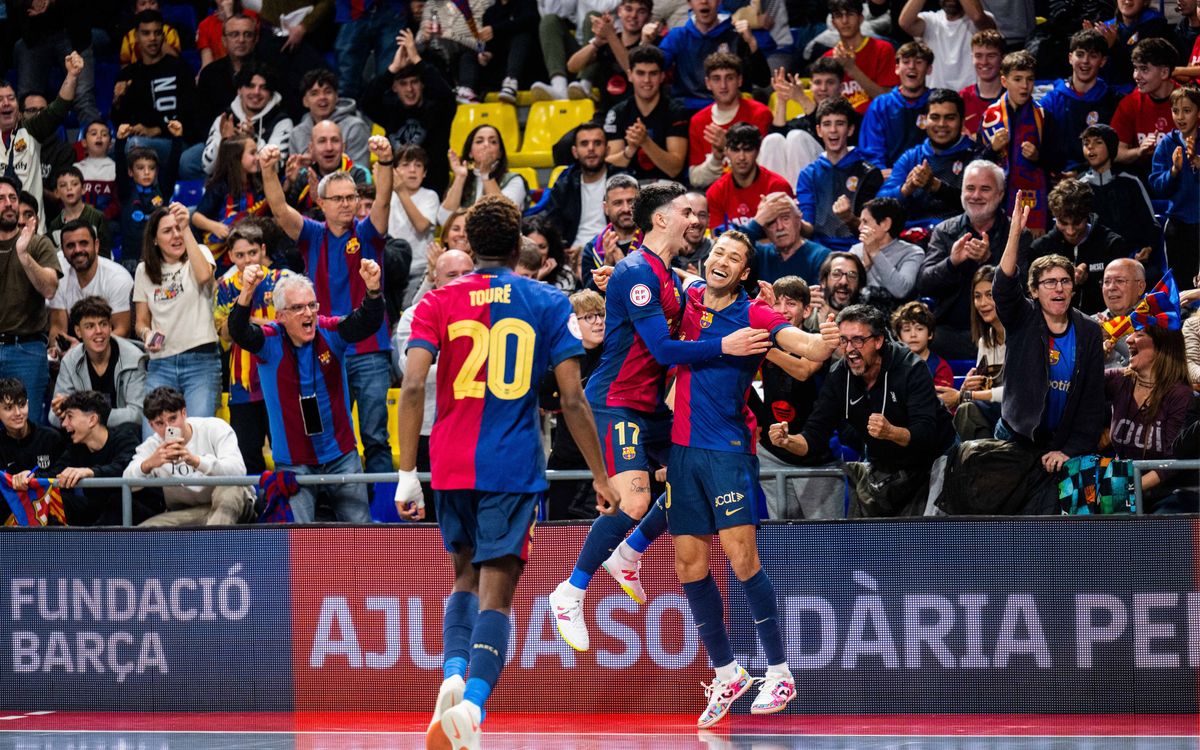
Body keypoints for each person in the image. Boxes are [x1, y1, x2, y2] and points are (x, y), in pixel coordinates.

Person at [394, 195, 617, 749]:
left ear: (467, 245)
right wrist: (601, 475)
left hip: (447, 460)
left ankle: (451, 672)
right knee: (498, 593)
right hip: (512, 463)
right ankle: (471, 706)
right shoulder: (546, 299)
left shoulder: (438, 301)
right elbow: (572, 398)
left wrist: (405, 472)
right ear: (520, 246)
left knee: (462, 576)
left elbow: (414, 384)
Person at [547, 182, 770, 654]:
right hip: (617, 401)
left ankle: (628, 553)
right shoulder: (638, 274)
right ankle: (570, 591)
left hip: (652, 407)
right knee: (632, 501)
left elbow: (698, 294)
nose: (695, 219)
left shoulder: (665, 272)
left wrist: (753, 298)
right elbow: (664, 348)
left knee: (694, 478)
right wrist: (725, 345)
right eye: (686, 211)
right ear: (662, 219)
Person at [666, 231, 837, 727]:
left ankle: (779, 672)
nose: (722, 260)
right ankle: (727, 672)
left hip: (726, 452)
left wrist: (823, 337)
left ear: (745, 274)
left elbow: (806, 347)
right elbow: (666, 279)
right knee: (689, 565)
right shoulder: (693, 295)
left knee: (741, 559)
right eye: (718, 252)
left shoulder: (756, 314)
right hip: (682, 452)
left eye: (734, 258)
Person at [260, 137, 397, 478]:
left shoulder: (370, 231)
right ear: (321, 203)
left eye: (351, 197)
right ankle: (330, 511)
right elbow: (278, 209)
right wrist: (267, 170)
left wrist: (385, 161)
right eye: (337, 199)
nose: (346, 204)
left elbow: (382, 201)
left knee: (375, 436)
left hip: (368, 349)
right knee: (320, 433)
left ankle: (380, 514)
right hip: (322, 347)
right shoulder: (311, 234)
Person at [228, 260, 384, 523]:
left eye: (312, 305)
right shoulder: (268, 341)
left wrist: (372, 291)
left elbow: (366, 322)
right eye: (298, 308)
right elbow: (239, 331)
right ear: (281, 316)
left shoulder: (330, 331)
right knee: (301, 544)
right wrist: (246, 293)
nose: (308, 313)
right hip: (293, 463)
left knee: (360, 534)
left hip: (341, 456)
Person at [770, 303, 958, 517]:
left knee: (930, 538)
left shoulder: (910, 368)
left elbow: (925, 434)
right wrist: (788, 441)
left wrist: (891, 432)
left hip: (935, 459)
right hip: (889, 466)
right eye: (843, 341)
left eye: (858, 340)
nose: (850, 349)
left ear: (878, 340)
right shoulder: (839, 376)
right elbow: (813, 437)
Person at [993, 201, 1106, 514]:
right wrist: (1015, 233)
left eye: (1065, 281)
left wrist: (1068, 451)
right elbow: (1003, 288)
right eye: (1049, 283)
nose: (1059, 288)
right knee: (1008, 528)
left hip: (1064, 446)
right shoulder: (1022, 319)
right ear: (1034, 290)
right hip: (1016, 441)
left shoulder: (1088, 331)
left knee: (1057, 531)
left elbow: (1092, 403)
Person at [919, 159, 1031, 359]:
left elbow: (1022, 287)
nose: (976, 196)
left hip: (1001, 329)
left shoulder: (1017, 233)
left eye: (985, 189)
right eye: (970, 188)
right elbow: (925, 284)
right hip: (950, 332)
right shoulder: (945, 231)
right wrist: (951, 263)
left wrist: (989, 260)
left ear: (1000, 194)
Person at [212, 222, 293, 474]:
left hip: (282, 378)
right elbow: (225, 333)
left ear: (263, 250)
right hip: (242, 384)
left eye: (252, 253)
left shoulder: (283, 280)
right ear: (230, 257)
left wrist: (245, 320)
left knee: (287, 452)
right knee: (247, 457)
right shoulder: (225, 288)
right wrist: (245, 302)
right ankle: (258, 511)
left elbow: (292, 324)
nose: (247, 260)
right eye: (239, 255)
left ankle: (290, 511)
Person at [390, 248, 473, 490]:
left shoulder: (488, 312)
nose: (460, 280)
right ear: (436, 279)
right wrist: (469, 367)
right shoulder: (416, 315)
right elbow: (410, 371)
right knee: (428, 516)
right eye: (452, 274)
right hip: (427, 429)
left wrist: (441, 366)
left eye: (467, 273)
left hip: (474, 428)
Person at [132, 202, 221, 419]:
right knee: (155, 440)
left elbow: (203, 276)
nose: (176, 235)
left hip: (201, 360)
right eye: (167, 231)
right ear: (154, 239)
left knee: (198, 435)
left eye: (178, 228)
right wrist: (147, 333)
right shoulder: (144, 270)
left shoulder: (200, 253)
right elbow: (141, 322)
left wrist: (187, 227)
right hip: (161, 363)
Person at [125, 386, 255, 526]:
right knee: (143, 533)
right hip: (188, 512)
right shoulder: (153, 446)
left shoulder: (214, 427)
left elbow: (238, 472)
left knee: (228, 491)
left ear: (184, 413)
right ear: (151, 426)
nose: (169, 427)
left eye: (173, 418)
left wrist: (197, 461)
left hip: (233, 504)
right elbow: (127, 482)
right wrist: (148, 464)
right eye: (160, 423)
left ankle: (214, 546)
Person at [1105, 325, 1192, 513]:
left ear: (1162, 347)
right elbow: (1077, 387)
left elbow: (1173, 462)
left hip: (1169, 495)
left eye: (1139, 335)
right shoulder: (1119, 380)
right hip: (1124, 488)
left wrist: (1127, 489)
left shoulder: (1181, 395)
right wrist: (1097, 358)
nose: (1128, 340)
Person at [362, 29, 456, 195]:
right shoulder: (391, 110)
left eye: (414, 82)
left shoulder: (437, 110)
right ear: (395, 87)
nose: (410, 89)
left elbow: (447, 96)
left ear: (422, 84)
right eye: (403, 83)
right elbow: (367, 101)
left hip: (432, 192)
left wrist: (416, 60)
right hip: (395, 193)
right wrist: (392, 69)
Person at [111, 11, 197, 191]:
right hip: (138, 140)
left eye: (157, 33)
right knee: (109, 150)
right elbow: (119, 122)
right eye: (146, 33)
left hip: (176, 142)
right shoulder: (128, 74)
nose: (152, 38)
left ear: (164, 36)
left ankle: (152, 201)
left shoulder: (179, 68)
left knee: (136, 146)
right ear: (136, 36)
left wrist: (156, 130)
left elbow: (191, 116)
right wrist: (117, 102)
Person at [542, 289, 609, 519]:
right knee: (559, 537)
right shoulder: (560, 359)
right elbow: (544, 398)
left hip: (608, 459)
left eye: (601, 314)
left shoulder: (614, 356)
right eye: (589, 317)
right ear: (573, 323)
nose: (598, 322)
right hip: (567, 458)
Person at [0, 176, 61, 425]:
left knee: (28, 429)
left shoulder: (37, 243)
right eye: (1, 199)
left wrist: (24, 256)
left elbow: (49, 289)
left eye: (12, 198)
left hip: (26, 349)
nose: (9, 204)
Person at [0, 52, 85, 229]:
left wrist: (72, 75)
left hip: (34, 234)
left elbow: (58, 108)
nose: (6, 103)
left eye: (11, 98)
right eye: (0, 100)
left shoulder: (31, 130)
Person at [44, 390, 151, 526]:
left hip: (135, 508)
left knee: (117, 501)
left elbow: (124, 468)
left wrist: (90, 472)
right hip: (98, 509)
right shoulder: (76, 447)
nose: (64, 424)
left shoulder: (125, 436)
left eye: (70, 417)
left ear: (92, 420)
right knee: (57, 500)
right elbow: (55, 474)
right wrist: (28, 477)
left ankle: (93, 543)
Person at [878, 88, 982, 222]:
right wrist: (906, 189)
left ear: (962, 122)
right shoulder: (912, 157)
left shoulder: (976, 156)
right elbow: (879, 203)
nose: (941, 124)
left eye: (949, 118)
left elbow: (979, 206)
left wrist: (936, 186)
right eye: (935, 117)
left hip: (958, 237)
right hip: (910, 237)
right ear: (925, 120)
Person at [795, 98, 883, 251]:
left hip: (859, 250)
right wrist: (793, 220)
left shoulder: (869, 173)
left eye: (840, 123)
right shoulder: (808, 175)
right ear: (819, 130)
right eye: (827, 124)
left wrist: (848, 218)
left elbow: (873, 231)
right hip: (819, 253)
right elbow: (808, 229)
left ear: (850, 130)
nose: (833, 130)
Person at [1030, 179, 1126, 315]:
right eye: (1063, 223)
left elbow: (1122, 295)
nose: (1070, 231)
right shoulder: (1040, 249)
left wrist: (1089, 280)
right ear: (1055, 217)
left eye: (1077, 223)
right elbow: (1032, 296)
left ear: (1087, 216)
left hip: (1103, 324)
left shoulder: (1111, 244)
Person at [48, 296, 145, 431]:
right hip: (85, 438)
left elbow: (138, 415)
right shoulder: (70, 361)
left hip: (122, 435)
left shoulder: (134, 358)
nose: (98, 331)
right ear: (78, 331)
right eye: (90, 326)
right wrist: (61, 411)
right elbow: (53, 417)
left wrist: (88, 417)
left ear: (110, 326)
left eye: (103, 324)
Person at [978, 50, 1047, 234]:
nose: (1025, 86)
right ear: (1004, 81)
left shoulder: (1042, 115)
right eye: (1017, 79)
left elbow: (1056, 160)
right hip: (997, 199)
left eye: (1029, 79)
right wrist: (991, 150)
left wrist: (1038, 156)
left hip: (1032, 199)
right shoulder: (990, 117)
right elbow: (976, 162)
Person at [657, 0, 770, 111]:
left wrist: (751, 43)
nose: (704, 1)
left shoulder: (736, 35)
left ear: (719, 1)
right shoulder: (677, 36)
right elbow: (654, 69)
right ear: (689, 3)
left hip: (730, 109)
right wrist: (645, 43)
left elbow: (762, 80)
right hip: (687, 110)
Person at [1037, 29, 1118, 178]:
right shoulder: (1051, 101)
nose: (1085, 61)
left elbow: (1114, 151)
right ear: (1070, 58)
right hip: (1056, 178)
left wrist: (1080, 173)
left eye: (1093, 56)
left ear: (1103, 61)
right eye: (1080, 54)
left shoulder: (1112, 101)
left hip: (1097, 178)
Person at [937, 264, 1006, 438]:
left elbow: (1015, 393)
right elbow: (986, 387)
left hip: (1018, 414)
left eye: (989, 295)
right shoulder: (985, 340)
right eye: (977, 296)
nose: (982, 303)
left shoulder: (1021, 336)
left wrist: (964, 395)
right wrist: (971, 385)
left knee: (967, 409)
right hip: (993, 412)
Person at [687, 52, 773, 189]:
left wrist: (728, 147)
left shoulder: (760, 114)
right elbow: (696, 179)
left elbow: (765, 167)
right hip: (714, 193)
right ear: (708, 83)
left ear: (740, 80)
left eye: (729, 78)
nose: (723, 86)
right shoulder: (698, 121)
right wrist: (716, 158)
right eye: (716, 79)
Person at [603, 45, 689, 181]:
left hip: (666, 188)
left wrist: (645, 141)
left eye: (653, 73)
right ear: (630, 75)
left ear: (662, 76)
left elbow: (674, 169)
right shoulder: (618, 112)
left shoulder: (676, 111)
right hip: (626, 188)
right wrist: (629, 150)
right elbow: (609, 165)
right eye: (640, 73)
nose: (647, 80)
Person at [1077, 124, 1159, 263]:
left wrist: (1148, 247)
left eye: (1098, 142)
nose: (1090, 147)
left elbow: (1151, 224)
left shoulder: (1131, 181)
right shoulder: (1079, 185)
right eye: (1086, 143)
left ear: (1111, 147)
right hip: (1092, 260)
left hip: (1130, 256)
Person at [200, 63, 294, 176]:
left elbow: (276, 167)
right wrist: (223, 143)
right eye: (250, 86)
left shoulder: (282, 122)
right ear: (239, 90)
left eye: (263, 88)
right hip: (226, 187)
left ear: (271, 93)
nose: (256, 92)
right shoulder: (224, 120)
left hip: (264, 189)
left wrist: (254, 140)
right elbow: (207, 167)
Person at [758, 59, 841, 187]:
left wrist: (801, 98)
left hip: (832, 177)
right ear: (811, 86)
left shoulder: (848, 117)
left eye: (830, 83)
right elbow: (777, 137)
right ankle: (770, 200)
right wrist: (781, 99)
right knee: (773, 140)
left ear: (840, 87)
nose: (823, 88)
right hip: (790, 183)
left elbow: (823, 123)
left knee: (797, 137)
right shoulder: (801, 120)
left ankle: (802, 202)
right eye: (818, 82)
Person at [1149, 86, 1200, 285]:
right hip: (1178, 222)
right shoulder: (1166, 144)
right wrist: (1174, 172)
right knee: (1179, 282)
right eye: (1175, 111)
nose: (1180, 116)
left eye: (1187, 111)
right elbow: (1157, 186)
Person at [192, 134, 269, 265]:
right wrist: (216, 227)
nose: (257, 157)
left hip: (251, 247)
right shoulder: (220, 186)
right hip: (224, 254)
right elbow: (196, 217)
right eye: (252, 153)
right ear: (236, 158)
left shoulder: (257, 183)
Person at [858, 41, 934, 171]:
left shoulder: (938, 102)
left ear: (929, 69)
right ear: (897, 68)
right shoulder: (880, 105)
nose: (912, 67)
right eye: (906, 62)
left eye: (919, 62)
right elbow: (871, 152)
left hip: (931, 176)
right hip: (890, 180)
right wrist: (881, 173)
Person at [703, 124, 792, 231]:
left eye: (748, 150)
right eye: (736, 150)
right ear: (726, 151)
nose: (741, 157)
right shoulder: (715, 192)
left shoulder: (777, 187)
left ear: (758, 151)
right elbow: (719, 240)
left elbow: (785, 236)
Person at [541, 122, 612, 254]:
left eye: (597, 143)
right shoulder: (563, 186)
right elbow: (552, 225)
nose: (591, 148)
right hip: (573, 254)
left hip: (611, 251)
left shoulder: (621, 182)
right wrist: (561, 250)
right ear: (575, 152)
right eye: (584, 144)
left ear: (607, 149)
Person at [1113, 39, 1179, 176]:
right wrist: (1139, 151)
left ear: (1164, 72)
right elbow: (1115, 153)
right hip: (1144, 177)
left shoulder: (1190, 102)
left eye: (1144, 69)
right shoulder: (1129, 103)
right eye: (1135, 68)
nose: (1136, 76)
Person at [283, 120, 373, 219]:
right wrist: (289, 184)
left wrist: (320, 201)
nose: (329, 148)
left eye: (335, 140)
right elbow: (286, 217)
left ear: (343, 147)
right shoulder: (305, 175)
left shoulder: (359, 174)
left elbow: (358, 216)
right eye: (322, 141)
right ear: (311, 148)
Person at [898, 0, 995, 92]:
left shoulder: (982, 19)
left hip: (971, 96)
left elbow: (977, 17)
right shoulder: (930, 20)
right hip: (936, 98)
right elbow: (905, 23)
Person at [821, 0, 897, 114]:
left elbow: (888, 100)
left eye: (850, 14)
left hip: (877, 122)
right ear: (833, 23)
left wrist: (852, 69)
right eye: (839, 16)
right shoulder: (827, 58)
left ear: (861, 18)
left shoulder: (883, 49)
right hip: (842, 127)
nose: (845, 21)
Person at [439, 125, 528, 221]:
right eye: (479, 141)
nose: (486, 145)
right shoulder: (463, 179)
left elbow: (503, 218)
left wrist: (486, 173)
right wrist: (460, 178)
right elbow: (444, 220)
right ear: (470, 153)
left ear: (500, 153)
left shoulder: (514, 180)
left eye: (493, 142)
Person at [742, 192, 830, 286]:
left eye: (785, 218)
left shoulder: (821, 257)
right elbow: (731, 248)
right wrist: (757, 220)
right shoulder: (760, 255)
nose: (780, 227)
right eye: (771, 222)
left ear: (798, 219)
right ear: (764, 228)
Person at [850, 196, 924, 307]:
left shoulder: (912, 253)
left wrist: (875, 253)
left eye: (865, 222)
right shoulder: (856, 250)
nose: (860, 228)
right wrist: (864, 266)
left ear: (885, 224)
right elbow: (845, 289)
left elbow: (901, 291)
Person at [289, 68, 371, 167]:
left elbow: (360, 173)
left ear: (336, 97)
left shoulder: (355, 127)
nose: (322, 97)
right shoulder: (297, 133)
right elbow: (294, 177)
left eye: (328, 92)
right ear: (305, 101)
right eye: (314, 93)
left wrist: (315, 163)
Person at [195, 12, 260, 130]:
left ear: (255, 40)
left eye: (248, 35)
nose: (241, 40)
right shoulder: (209, 74)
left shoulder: (268, 72)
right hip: (216, 139)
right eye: (234, 34)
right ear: (224, 40)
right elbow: (201, 120)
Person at [332, 0, 406, 101]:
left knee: (391, 74)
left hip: (391, 8)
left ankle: (391, 115)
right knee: (346, 80)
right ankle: (344, 115)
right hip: (352, 9)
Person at [578, 174, 642, 285]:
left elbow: (670, 281)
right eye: (618, 203)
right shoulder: (592, 249)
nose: (626, 209)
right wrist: (607, 263)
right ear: (606, 208)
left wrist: (623, 265)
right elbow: (590, 296)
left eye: (631, 201)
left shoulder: (656, 240)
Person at [0, 378, 65, 479]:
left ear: (28, 403)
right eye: (8, 408)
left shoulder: (51, 439)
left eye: (22, 405)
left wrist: (34, 478)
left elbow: (63, 477)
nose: (18, 413)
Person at [1094, 258, 1147, 367]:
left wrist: (1115, 334)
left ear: (1140, 287)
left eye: (1120, 281)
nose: (1111, 288)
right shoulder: (1090, 324)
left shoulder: (1158, 321)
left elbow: (1157, 363)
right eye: (1106, 282)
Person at [119, 147, 165, 271]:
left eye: (151, 168)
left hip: (158, 254)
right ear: (130, 171)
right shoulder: (125, 193)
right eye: (140, 168)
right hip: (131, 258)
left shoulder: (163, 191)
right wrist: (120, 142)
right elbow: (119, 166)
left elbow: (173, 164)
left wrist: (177, 138)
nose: (146, 172)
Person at [47, 167, 112, 255]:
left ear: (83, 189)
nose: (69, 188)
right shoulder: (55, 224)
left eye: (74, 184)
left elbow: (105, 253)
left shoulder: (98, 217)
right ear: (56, 193)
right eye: (63, 185)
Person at [892, 299, 954, 388]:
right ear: (899, 337)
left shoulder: (940, 368)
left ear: (930, 334)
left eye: (919, 329)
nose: (913, 335)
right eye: (907, 330)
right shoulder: (891, 366)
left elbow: (941, 400)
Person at [959, 28, 1004, 137]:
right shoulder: (962, 98)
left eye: (991, 56)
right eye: (978, 56)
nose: (984, 62)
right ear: (972, 58)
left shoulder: (1013, 98)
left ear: (1003, 58)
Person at [73, 121, 119, 225]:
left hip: (106, 222)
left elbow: (117, 203)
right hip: (79, 221)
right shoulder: (76, 169)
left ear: (110, 143)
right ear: (84, 142)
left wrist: (101, 216)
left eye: (104, 134)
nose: (99, 137)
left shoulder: (115, 169)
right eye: (94, 134)